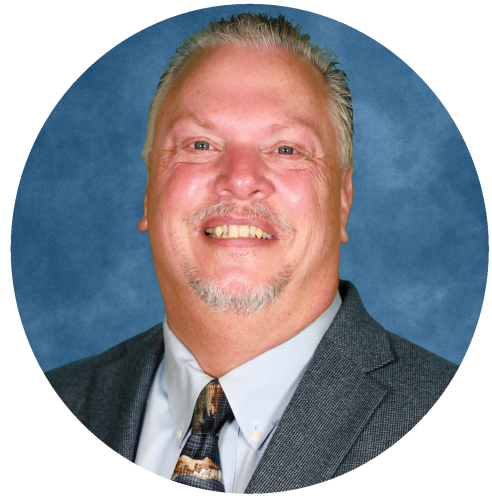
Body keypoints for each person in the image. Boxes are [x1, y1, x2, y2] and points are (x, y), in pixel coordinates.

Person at [44, 13, 459, 493]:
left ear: (343, 200)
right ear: (149, 193)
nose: (240, 179)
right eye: (200, 144)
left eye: (286, 149)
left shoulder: (427, 402)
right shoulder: (67, 397)